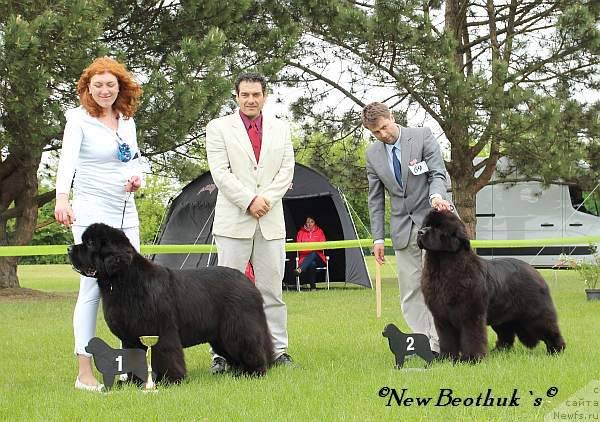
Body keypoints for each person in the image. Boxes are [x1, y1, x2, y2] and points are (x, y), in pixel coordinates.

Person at [54, 57, 143, 391]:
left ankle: (130, 365)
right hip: (90, 209)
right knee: (91, 287)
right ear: (87, 88)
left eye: (110, 84)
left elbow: (136, 161)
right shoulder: (78, 120)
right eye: (98, 85)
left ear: (120, 86)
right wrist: (63, 199)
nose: (105, 91)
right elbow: (67, 162)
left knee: (131, 283)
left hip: (125, 210)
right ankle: (84, 372)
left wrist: (137, 180)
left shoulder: (127, 120)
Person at [206, 73, 295, 373]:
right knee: (224, 293)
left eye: (256, 94)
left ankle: (278, 350)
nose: (250, 100)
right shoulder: (218, 128)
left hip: (270, 220)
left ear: (265, 96)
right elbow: (220, 172)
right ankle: (221, 355)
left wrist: (265, 199)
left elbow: (286, 170)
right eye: (245, 95)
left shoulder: (281, 129)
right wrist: (249, 200)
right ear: (236, 96)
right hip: (234, 221)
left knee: (272, 290)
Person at [362, 102, 453, 355]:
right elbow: (375, 199)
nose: (383, 135)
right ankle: (426, 346)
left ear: (392, 116)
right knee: (411, 289)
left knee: (439, 286)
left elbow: (437, 174)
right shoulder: (372, 155)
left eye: (384, 127)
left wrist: (436, 197)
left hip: (434, 223)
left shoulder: (422, 136)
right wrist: (378, 238)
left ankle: (444, 343)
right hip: (403, 229)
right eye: (376, 133)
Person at [294, 216, 327, 290]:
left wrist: (309, 249)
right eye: (308, 222)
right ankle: (313, 288)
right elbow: (300, 249)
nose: (309, 224)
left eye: (311, 222)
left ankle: (300, 269)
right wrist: (313, 248)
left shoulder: (320, 231)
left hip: (319, 258)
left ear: (314, 223)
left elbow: (322, 247)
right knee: (312, 263)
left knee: (314, 253)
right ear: (305, 223)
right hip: (304, 260)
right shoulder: (300, 233)